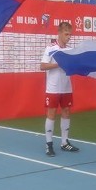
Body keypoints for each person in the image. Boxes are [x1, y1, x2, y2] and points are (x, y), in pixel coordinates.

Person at [40, 21, 80, 157]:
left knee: (67, 112)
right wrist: (58, 64)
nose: (69, 37)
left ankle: (64, 142)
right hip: (53, 88)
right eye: (66, 34)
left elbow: (71, 67)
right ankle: (49, 144)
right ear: (59, 33)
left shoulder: (70, 50)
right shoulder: (50, 48)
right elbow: (43, 66)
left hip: (66, 87)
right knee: (51, 115)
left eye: (70, 34)